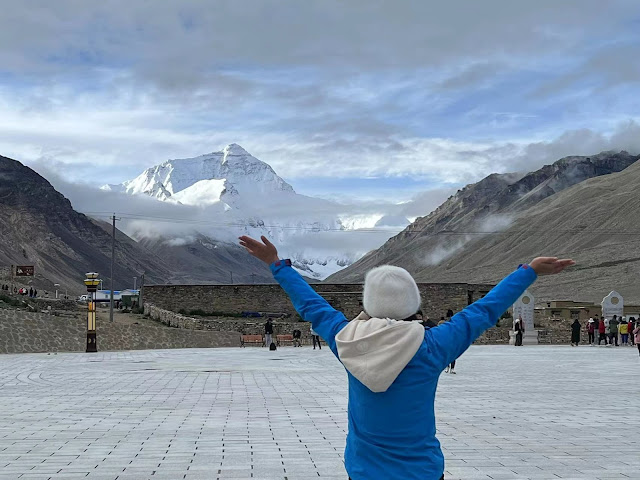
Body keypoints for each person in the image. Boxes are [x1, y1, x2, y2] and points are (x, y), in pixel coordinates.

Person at [239, 234, 574, 480]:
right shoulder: (434, 345)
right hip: (422, 470)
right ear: (413, 304)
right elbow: (483, 311)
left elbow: (312, 305)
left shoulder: (346, 341)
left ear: (368, 304)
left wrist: (276, 265)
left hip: (364, 470)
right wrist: (528, 271)